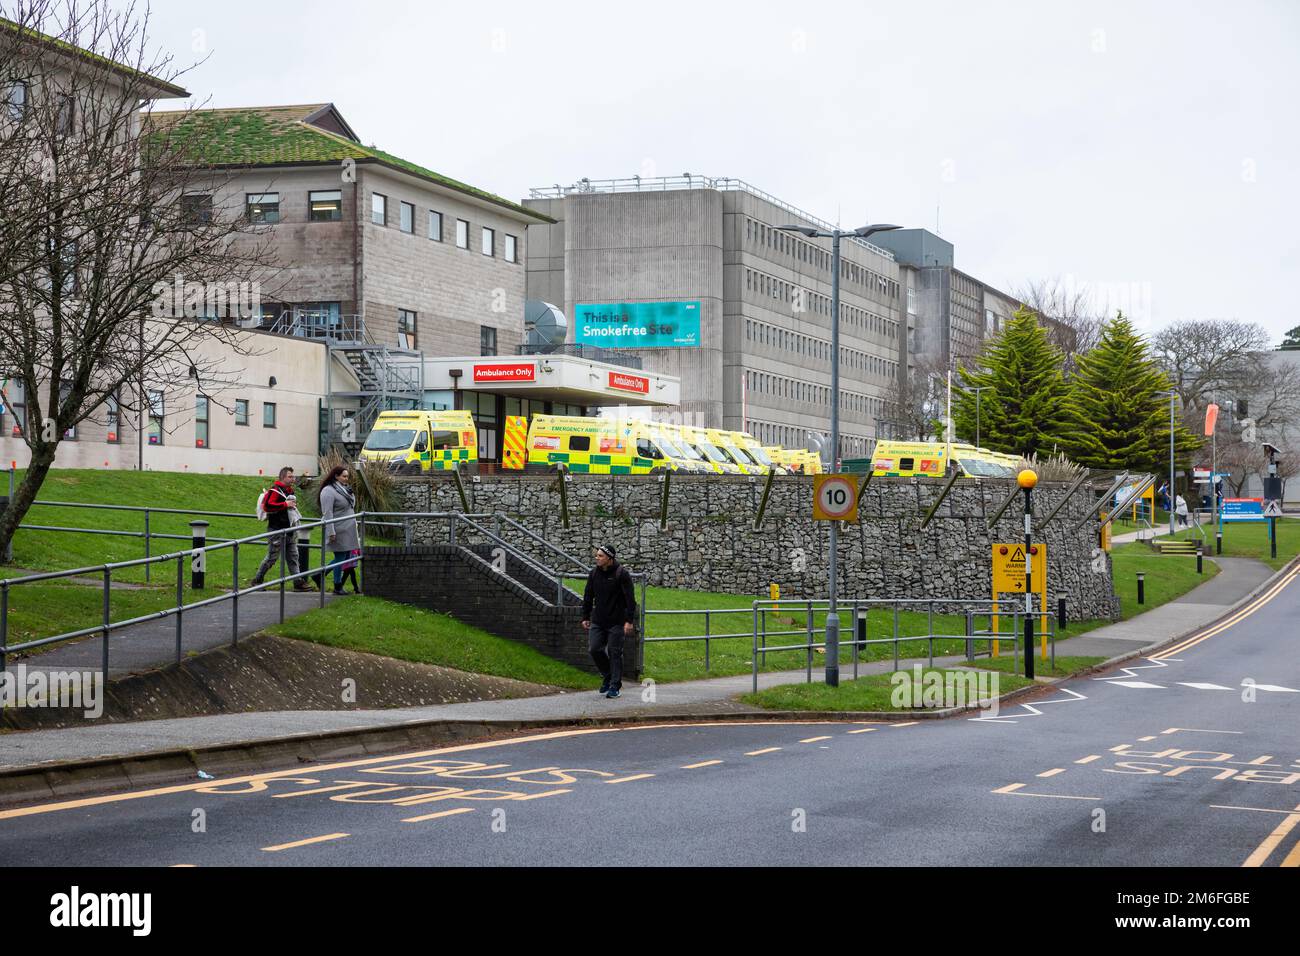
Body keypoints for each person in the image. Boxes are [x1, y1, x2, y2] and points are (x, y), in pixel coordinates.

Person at [581, 544, 637, 699]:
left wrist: (629, 621)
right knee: (594, 649)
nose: (597, 558)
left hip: (616, 622)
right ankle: (607, 675)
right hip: (598, 620)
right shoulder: (593, 574)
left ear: (610, 558)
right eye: (597, 555)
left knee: (614, 652)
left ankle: (614, 686)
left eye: (600, 556)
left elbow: (630, 600)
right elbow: (588, 596)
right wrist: (585, 616)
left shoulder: (621, 574)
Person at [250, 467, 313, 590]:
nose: (293, 479)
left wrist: (290, 506)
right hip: (276, 530)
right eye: (290, 476)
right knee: (272, 557)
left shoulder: (289, 491)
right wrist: (285, 504)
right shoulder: (275, 491)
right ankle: (257, 580)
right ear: (282, 477)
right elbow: (267, 506)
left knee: (293, 557)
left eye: (293, 476)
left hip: (289, 530)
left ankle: (297, 582)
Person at [319, 464, 360, 595]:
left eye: (347, 476)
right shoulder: (328, 491)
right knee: (341, 558)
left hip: (348, 530)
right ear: (336, 476)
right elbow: (327, 512)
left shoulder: (344, 489)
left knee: (344, 557)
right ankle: (336, 585)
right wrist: (331, 531)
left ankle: (325, 578)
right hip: (338, 529)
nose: (346, 479)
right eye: (344, 476)